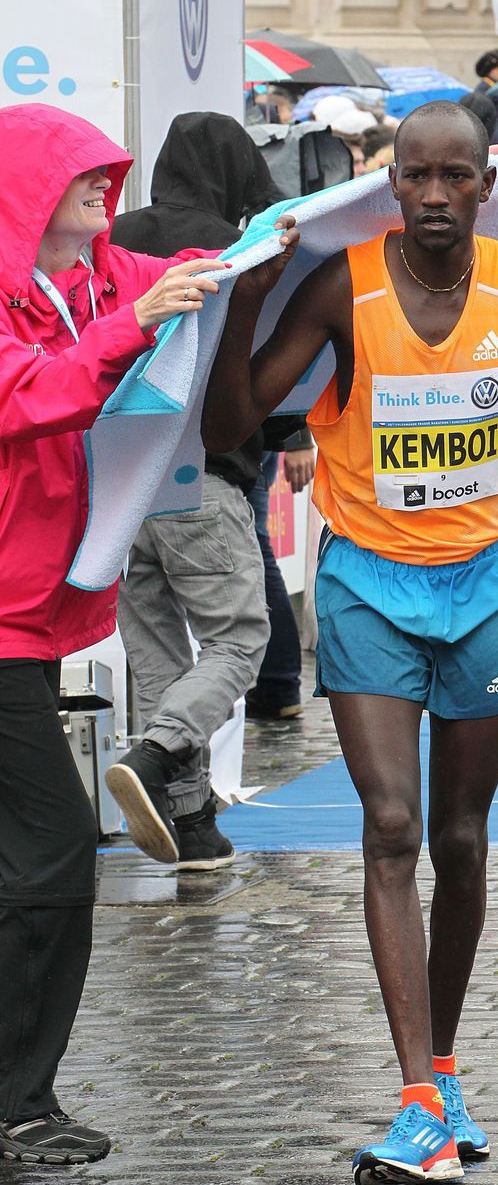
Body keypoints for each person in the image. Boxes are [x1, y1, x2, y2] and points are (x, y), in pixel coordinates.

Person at [201, 100, 498, 1184]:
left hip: (488, 585)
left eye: (458, 177)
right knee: (391, 823)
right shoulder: (341, 289)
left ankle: (443, 1069)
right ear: (389, 183)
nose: (439, 196)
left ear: (487, 184)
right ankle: (416, 1100)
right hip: (368, 583)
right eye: (419, 178)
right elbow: (229, 433)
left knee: (459, 834)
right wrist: (242, 313)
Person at [0, 102, 227, 1164]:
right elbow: (32, 395)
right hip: (3, 625)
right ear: (27, 193)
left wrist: (286, 233)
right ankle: (21, 1101)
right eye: (86, 172)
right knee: (51, 853)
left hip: (33, 622)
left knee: (34, 852)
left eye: (112, 168)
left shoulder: (97, 277)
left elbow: (190, 265)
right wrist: (134, 325)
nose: (107, 184)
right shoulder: (59, 301)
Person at [108, 112, 298, 867]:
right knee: (239, 638)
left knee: (154, 651)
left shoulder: (110, 238)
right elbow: (269, 369)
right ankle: (156, 756)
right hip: (203, 473)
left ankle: (191, 824)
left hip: (120, 486)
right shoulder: (240, 249)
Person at [246, 440, 316, 720]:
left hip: (246, 439)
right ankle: (279, 684)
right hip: (250, 439)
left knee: (256, 549)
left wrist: (297, 438)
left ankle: (279, 684)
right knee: (256, 548)